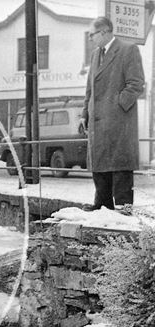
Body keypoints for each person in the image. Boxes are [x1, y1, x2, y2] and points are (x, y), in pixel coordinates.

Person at [80, 16, 144, 213]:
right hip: (98, 120)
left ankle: (124, 209)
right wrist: (85, 113)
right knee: (100, 162)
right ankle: (102, 204)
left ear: (105, 32)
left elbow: (136, 84)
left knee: (120, 163)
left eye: (92, 35)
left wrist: (118, 106)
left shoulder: (128, 50)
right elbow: (89, 88)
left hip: (119, 120)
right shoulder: (94, 55)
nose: (90, 39)